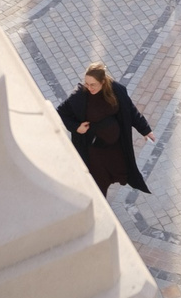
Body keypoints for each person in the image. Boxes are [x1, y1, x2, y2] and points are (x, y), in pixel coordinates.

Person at [56, 64, 154, 199]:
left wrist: (145, 130)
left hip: (115, 147)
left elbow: (130, 111)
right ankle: (98, 206)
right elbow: (60, 112)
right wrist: (76, 127)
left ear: (103, 82)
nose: (89, 88)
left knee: (120, 171)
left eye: (93, 84)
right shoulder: (79, 96)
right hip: (94, 149)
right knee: (99, 181)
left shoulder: (116, 90)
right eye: (87, 84)